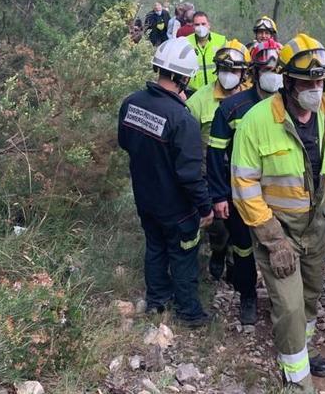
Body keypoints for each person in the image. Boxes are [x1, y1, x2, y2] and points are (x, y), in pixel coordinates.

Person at [231, 34, 325, 392]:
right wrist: (273, 238)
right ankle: (297, 381)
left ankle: (301, 349)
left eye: (320, 81)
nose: (315, 88)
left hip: (317, 225)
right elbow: (244, 186)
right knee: (290, 306)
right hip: (278, 229)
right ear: (288, 81)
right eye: (307, 82)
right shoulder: (257, 121)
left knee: (310, 296)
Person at [117, 38, 214, 327]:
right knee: (184, 254)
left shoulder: (131, 102)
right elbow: (190, 174)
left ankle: (157, 300)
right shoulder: (182, 120)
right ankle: (190, 312)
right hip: (176, 207)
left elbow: (126, 143)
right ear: (184, 77)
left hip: (145, 198)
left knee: (155, 246)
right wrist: (206, 208)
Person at [206, 39, 284, 325]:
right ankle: (247, 294)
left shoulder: (288, 106)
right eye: (267, 68)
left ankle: (282, 301)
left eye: (277, 69)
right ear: (254, 70)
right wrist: (219, 196)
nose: (273, 74)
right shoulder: (231, 108)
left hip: (278, 192)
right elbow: (215, 154)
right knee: (242, 246)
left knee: (280, 245)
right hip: (241, 191)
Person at [187, 39, 252, 283]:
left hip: (243, 171)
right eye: (224, 69)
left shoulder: (251, 100)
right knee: (219, 224)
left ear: (244, 72)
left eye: (234, 70)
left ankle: (238, 266)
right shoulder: (198, 102)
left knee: (244, 224)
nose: (228, 75)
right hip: (209, 170)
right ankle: (218, 251)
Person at [186, 11, 228, 91]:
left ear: (209, 25)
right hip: (193, 91)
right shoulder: (186, 42)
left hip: (217, 89)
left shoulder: (221, 41)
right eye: (197, 24)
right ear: (193, 26)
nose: (200, 27)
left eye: (203, 24)